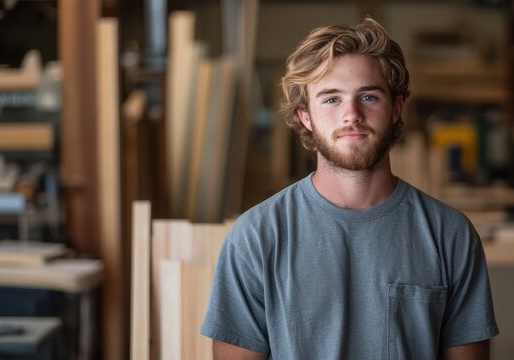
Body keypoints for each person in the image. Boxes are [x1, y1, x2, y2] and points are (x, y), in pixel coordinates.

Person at [201, 17, 498, 359]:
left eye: (369, 96)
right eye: (331, 99)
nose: (351, 114)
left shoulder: (450, 235)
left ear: (396, 107)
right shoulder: (256, 237)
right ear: (305, 116)